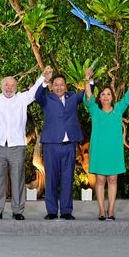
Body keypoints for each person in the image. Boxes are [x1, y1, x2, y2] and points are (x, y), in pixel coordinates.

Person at [0, 64, 51, 220]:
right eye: (6, 85)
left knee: (18, 179)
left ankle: (18, 211)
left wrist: (43, 77)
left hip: (17, 146)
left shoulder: (22, 99)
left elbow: (35, 90)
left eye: (12, 85)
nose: (9, 87)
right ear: (1, 86)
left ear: (16, 88)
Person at [35, 68, 92, 220]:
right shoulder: (46, 98)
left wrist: (88, 79)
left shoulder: (73, 97)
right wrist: (44, 80)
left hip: (69, 145)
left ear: (66, 87)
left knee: (68, 178)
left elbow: (87, 93)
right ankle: (52, 211)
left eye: (62, 85)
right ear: (52, 86)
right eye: (56, 85)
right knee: (51, 178)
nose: (59, 87)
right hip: (51, 145)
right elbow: (37, 95)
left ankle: (66, 211)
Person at [84, 72, 129, 220]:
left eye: (108, 94)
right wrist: (87, 79)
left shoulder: (118, 109)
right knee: (100, 180)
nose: (106, 96)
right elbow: (88, 95)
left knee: (113, 179)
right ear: (99, 98)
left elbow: (128, 95)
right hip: (99, 151)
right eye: (103, 94)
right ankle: (101, 210)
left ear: (112, 97)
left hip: (114, 151)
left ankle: (111, 209)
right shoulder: (94, 110)